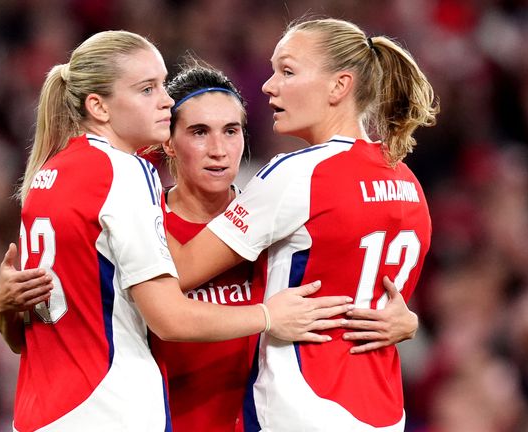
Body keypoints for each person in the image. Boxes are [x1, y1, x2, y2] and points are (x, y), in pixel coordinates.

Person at [0, 30, 355, 431]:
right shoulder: (130, 191)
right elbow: (164, 313)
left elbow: (341, 298)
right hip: (130, 411)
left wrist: (400, 321)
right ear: (169, 141)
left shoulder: (275, 223)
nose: (218, 148)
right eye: (199, 132)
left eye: (231, 130)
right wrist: (268, 315)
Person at [167, 18, 438, 431]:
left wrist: (123, 198)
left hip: (301, 405)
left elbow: (181, 269)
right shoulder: (407, 181)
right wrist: (410, 323)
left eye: (288, 71)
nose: (268, 86)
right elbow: (383, 302)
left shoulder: (300, 174)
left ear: (339, 86)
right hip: (382, 412)